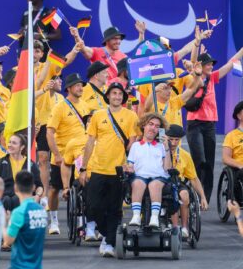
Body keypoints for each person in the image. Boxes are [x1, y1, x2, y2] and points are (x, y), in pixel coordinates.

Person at [79, 82, 138, 256]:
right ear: (108, 96)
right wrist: (83, 167)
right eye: (114, 93)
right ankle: (107, 234)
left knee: (114, 209)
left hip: (118, 170)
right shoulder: (98, 115)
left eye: (120, 94)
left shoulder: (131, 116)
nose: (117, 97)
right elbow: (90, 142)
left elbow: (132, 142)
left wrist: (130, 164)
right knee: (93, 206)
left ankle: (110, 242)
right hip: (97, 168)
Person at [187, 47, 243, 202]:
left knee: (209, 163)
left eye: (212, 64)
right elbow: (192, 62)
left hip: (210, 124)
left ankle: (204, 196)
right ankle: (195, 192)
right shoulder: (193, 78)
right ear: (200, 66)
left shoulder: (213, 78)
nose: (211, 66)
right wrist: (197, 44)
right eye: (208, 64)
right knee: (200, 160)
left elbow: (230, 64)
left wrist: (241, 52)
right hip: (195, 124)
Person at [34, 40, 81, 208]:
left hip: (46, 119)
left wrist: (74, 49)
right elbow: (37, 83)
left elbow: (64, 61)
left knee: (44, 158)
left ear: (41, 53)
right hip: (30, 119)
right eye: (32, 50)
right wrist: (47, 62)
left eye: (38, 50)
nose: (34, 53)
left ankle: (45, 195)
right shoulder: (21, 70)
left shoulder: (49, 66)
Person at [46, 73, 90, 234]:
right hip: (62, 154)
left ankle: (80, 222)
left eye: (81, 85)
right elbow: (49, 132)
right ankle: (54, 221)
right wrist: (56, 154)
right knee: (54, 189)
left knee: (81, 189)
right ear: (69, 88)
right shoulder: (60, 107)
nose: (80, 88)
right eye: (77, 85)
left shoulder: (85, 106)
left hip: (79, 154)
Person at [126, 113, 171, 228]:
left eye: (157, 126)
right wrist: (128, 168)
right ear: (144, 126)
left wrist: (166, 147)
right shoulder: (136, 146)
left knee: (154, 185)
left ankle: (155, 217)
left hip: (158, 177)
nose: (153, 128)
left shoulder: (161, 146)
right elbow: (130, 164)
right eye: (151, 124)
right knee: (137, 183)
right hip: (140, 176)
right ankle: (136, 215)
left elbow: (167, 168)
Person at [167, 124, 208, 238]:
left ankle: (184, 228)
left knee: (184, 195)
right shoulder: (158, 151)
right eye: (171, 140)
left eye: (177, 140)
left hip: (178, 182)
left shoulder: (185, 155)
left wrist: (203, 197)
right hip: (162, 182)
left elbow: (194, 178)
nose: (174, 143)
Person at [61, 112, 98, 241]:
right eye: (89, 121)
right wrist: (66, 187)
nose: (91, 123)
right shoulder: (75, 142)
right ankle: (90, 226)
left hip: (104, 175)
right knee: (88, 183)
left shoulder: (108, 140)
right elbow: (66, 164)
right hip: (84, 179)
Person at [3, 170, 48, 269]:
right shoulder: (42, 211)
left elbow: (8, 240)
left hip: (19, 266)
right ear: (33, 188)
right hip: (36, 266)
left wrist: (4, 223)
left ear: (15, 188)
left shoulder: (19, 212)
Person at [0, 134, 43, 211]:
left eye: (14, 143)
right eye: (9, 142)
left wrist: (38, 196)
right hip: (4, 201)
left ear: (22, 147)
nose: (10, 145)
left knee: (17, 199)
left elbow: (39, 186)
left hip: (23, 200)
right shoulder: (0, 163)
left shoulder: (30, 165)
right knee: (6, 200)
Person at [144, 62, 204, 126]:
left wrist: (197, 75)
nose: (170, 91)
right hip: (161, 136)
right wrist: (154, 91)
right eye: (166, 88)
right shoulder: (153, 105)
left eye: (170, 88)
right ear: (158, 90)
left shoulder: (174, 102)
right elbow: (147, 108)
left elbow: (190, 89)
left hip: (177, 135)